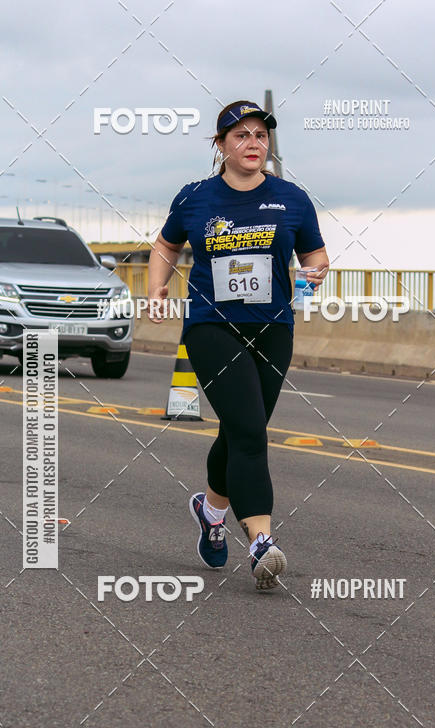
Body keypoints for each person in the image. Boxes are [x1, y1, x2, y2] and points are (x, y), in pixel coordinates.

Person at [148, 100, 329, 590]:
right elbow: (165, 245)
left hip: (272, 327)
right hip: (212, 327)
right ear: (221, 146)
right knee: (250, 430)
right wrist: (157, 286)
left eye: (261, 136)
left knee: (237, 430)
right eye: (242, 136)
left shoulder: (291, 198)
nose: (254, 144)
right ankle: (261, 543)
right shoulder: (195, 198)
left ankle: (210, 511)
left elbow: (314, 253)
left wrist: (315, 271)